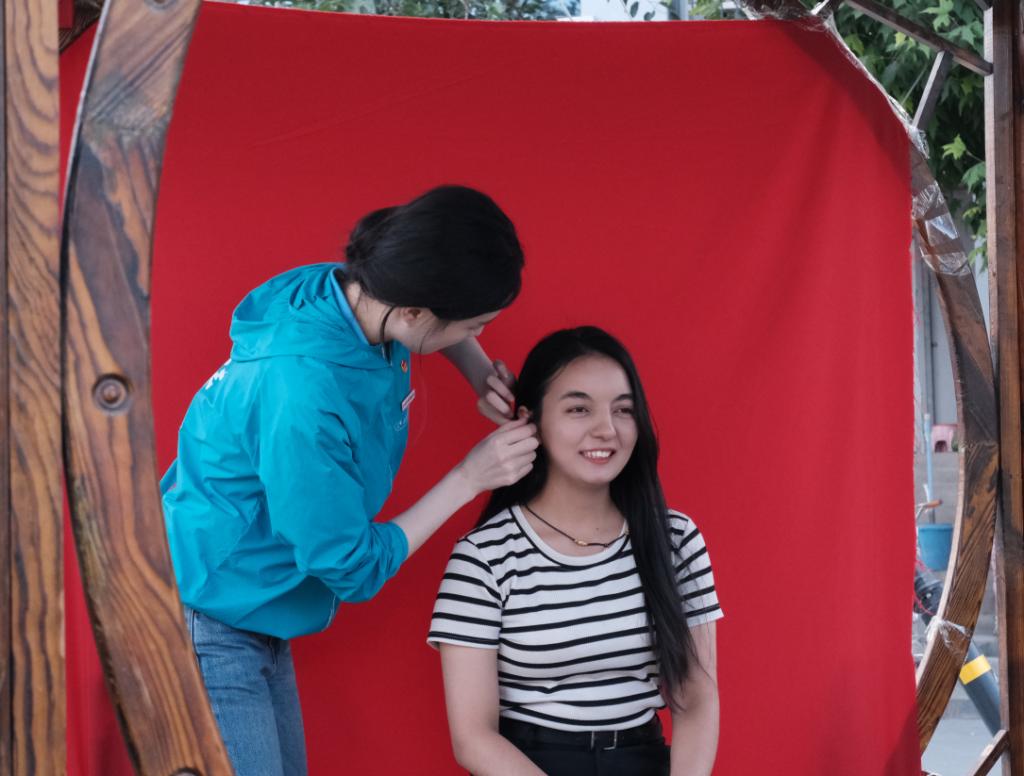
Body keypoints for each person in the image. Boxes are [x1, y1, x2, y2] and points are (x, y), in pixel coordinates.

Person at [161, 185, 539, 776]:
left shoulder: (350, 291)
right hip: (210, 611)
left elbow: (431, 316)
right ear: (414, 313)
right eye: (476, 324)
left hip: (255, 602)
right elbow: (351, 565)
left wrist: (477, 371)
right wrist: (471, 476)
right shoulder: (303, 395)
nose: (480, 333)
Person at [428, 326, 722, 776]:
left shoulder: (675, 538)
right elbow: (473, 737)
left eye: (623, 410)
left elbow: (697, 696)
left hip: (643, 761)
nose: (606, 430)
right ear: (530, 421)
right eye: (578, 409)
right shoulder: (483, 557)